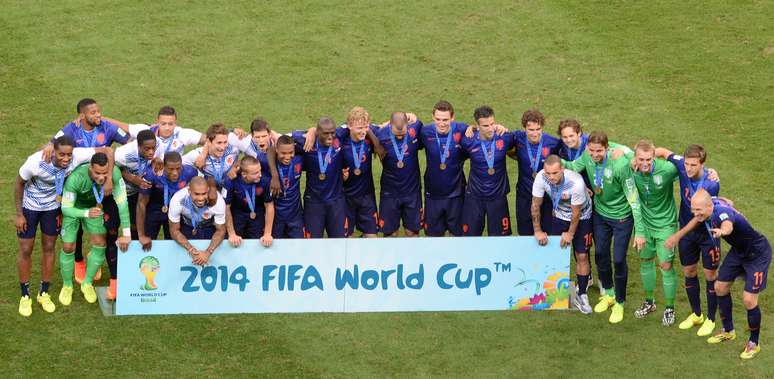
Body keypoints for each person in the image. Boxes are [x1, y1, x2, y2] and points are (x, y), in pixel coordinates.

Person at [666, 190, 770, 359]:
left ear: (709, 206)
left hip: (757, 254)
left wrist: (723, 232)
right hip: (739, 252)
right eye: (693, 209)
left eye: (699, 210)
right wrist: (679, 235)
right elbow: (726, 200)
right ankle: (728, 331)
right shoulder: (712, 202)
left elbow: (727, 224)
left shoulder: (722, 213)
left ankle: (753, 343)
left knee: (749, 300)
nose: (695, 213)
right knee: (720, 287)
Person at [14, 136, 104, 316]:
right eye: (61, 154)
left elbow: (106, 151)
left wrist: (108, 180)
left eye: (69, 155)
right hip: (30, 207)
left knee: (49, 247)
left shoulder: (77, 156)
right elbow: (19, 183)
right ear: (53, 151)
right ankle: (25, 296)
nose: (66, 159)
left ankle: (44, 292)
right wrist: (19, 214)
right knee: (26, 249)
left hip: (53, 208)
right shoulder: (35, 162)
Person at [562, 131, 644, 324]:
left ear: (607, 148)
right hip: (600, 214)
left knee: (618, 259)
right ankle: (608, 293)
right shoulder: (587, 156)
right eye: (591, 150)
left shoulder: (621, 164)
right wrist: (555, 162)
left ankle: (620, 302)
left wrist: (639, 232)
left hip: (622, 218)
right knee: (600, 254)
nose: (595, 154)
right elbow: (573, 166)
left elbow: (634, 199)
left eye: (599, 151)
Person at [657, 145, 721, 335]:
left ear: (702, 164)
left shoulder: (711, 183)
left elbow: (699, 216)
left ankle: (710, 319)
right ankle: (696, 314)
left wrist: (677, 235)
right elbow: (661, 151)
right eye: (687, 164)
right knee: (689, 271)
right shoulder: (681, 165)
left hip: (708, 234)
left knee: (710, 276)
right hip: (688, 235)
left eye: (694, 165)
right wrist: (637, 158)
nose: (689, 168)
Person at [58, 153, 131, 304]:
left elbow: (122, 204)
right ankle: (67, 285)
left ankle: (87, 283)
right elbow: (65, 208)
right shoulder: (76, 178)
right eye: (97, 173)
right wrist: (85, 213)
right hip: (75, 210)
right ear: (90, 168)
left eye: (105, 173)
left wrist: (126, 233)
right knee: (68, 246)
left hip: (94, 209)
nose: (101, 177)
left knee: (100, 244)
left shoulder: (115, 174)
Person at [533, 155, 594, 313]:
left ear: (562, 170)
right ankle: (553, 292)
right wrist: (538, 230)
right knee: (554, 252)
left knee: (581, 255)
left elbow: (576, 214)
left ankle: (582, 294)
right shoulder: (541, 177)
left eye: (555, 173)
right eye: (548, 173)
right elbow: (535, 205)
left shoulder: (576, 183)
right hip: (559, 215)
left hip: (583, 217)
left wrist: (570, 234)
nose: (551, 177)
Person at [270, 117, 348, 238]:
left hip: (336, 201)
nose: (330, 137)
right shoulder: (305, 140)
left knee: (339, 241)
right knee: (312, 243)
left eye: (332, 133)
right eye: (326, 133)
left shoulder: (340, 134)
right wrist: (275, 175)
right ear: (318, 132)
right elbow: (275, 144)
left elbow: (359, 125)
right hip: (314, 202)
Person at [629, 140, 680, 326]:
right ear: (635, 158)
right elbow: (611, 146)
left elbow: (687, 167)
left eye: (649, 160)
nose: (645, 163)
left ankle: (669, 308)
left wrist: (710, 173)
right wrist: (640, 231)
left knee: (666, 266)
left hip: (666, 226)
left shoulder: (666, 169)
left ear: (654, 157)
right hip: (644, 226)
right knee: (645, 262)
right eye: (641, 159)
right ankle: (649, 302)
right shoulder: (631, 170)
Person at [459, 106, 514, 236]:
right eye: (485, 126)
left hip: (498, 197)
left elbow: (518, 148)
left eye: (492, 124)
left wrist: (503, 128)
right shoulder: (468, 141)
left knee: (500, 239)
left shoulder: (505, 137)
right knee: (470, 238)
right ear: (477, 126)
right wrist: (470, 128)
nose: (490, 129)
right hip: (474, 197)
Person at [419, 101, 468, 236]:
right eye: (438, 119)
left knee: (458, 236)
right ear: (433, 117)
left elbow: (483, 131)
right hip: (433, 195)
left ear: (452, 117)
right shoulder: (425, 132)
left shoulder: (462, 130)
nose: (441, 123)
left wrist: (498, 127)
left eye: (445, 120)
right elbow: (402, 130)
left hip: (456, 195)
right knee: (433, 238)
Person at [510, 109, 561, 236]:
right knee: (525, 234)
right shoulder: (517, 137)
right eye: (531, 130)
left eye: (538, 129)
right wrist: (472, 128)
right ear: (524, 128)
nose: (534, 133)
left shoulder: (553, 143)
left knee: (548, 233)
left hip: (547, 196)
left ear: (542, 127)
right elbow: (497, 134)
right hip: (524, 195)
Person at [373, 112, 423, 237]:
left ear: (408, 124)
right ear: (390, 126)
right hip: (390, 194)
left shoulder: (415, 128)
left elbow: (418, 122)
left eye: (403, 133)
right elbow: (362, 125)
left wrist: (410, 115)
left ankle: (412, 257)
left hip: (412, 193)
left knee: (412, 233)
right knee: (390, 234)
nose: (400, 137)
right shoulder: (381, 133)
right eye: (397, 133)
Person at [136, 152, 199, 251]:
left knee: (174, 244)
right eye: (171, 169)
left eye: (178, 168)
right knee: (146, 242)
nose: (175, 173)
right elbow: (141, 203)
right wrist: (141, 234)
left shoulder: (190, 172)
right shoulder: (151, 175)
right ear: (164, 166)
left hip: (176, 211)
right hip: (154, 209)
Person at [168, 177, 227, 266]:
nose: (200, 198)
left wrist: (208, 252)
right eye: (196, 194)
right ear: (189, 191)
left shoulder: (218, 201)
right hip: (188, 226)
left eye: (204, 194)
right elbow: (174, 230)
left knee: (213, 259)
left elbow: (221, 230)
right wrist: (191, 250)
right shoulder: (177, 199)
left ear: (208, 190)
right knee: (186, 259)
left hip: (209, 227)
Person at [114, 129, 158, 238]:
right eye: (147, 149)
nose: (151, 152)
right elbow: (110, 166)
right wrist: (132, 178)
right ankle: (113, 254)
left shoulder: (159, 145)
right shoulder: (123, 155)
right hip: (117, 193)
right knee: (112, 227)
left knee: (135, 224)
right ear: (138, 146)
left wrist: (157, 160)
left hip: (136, 193)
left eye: (153, 148)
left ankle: (134, 251)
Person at [224, 156, 274, 247]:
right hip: (237, 215)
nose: (260, 175)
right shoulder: (230, 181)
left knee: (258, 244)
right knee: (235, 243)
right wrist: (231, 234)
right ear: (244, 174)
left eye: (260, 170)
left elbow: (269, 205)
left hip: (257, 214)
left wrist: (267, 233)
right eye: (255, 173)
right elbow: (225, 207)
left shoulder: (265, 180)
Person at [123, 105, 205, 159]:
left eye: (170, 124)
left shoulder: (182, 134)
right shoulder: (147, 131)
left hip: (173, 171)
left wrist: (203, 155)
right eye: (163, 124)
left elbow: (211, 139)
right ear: (157, 122)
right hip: (150, 171)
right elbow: (118, 126)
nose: (167, 128)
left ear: (175, 123)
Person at [269, 135, 305, 238]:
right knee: (276, 248)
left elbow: (307, 140)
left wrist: (311, 131)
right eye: (283, 153)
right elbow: (268, 151)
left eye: (291, 152)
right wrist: (275, 176)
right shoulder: (268, 162)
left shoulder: (299, 160)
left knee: (297, 247)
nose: (287, 156)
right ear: (276, 150)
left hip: (295, 215)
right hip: (276, 216)